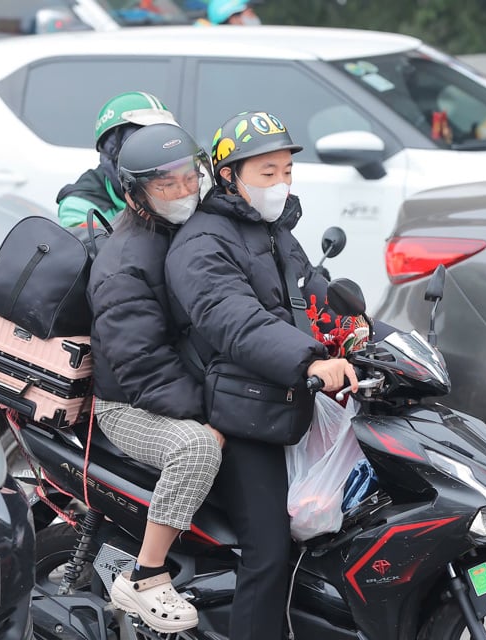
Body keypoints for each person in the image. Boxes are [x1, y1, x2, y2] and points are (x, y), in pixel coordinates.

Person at [165, 110, 358, 640]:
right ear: (229, 176)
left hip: (285, 396)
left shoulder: (272, 230)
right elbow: (234, 320)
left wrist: (374, 336)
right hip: (241, 411)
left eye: (287, 171)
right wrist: (310, 360)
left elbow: (315, 291)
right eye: (267, 173)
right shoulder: (203, 243)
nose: (281, 183)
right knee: (270, 550)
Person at [87, 122, 222, 634]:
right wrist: (211, 413)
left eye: (190, 177)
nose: (185, 191)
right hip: (130, 405)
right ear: (136, 192)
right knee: (197, 448)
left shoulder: (186, 228)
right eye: (167, 185)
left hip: (181, 382)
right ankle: (145, 575)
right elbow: (143, 366)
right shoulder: (126, 263)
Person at [56, 91, 177, 228]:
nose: (158, 157)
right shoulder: (81, 205)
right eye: (144, 146)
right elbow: (93, 246)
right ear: (114, 152)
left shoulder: (187, 182)